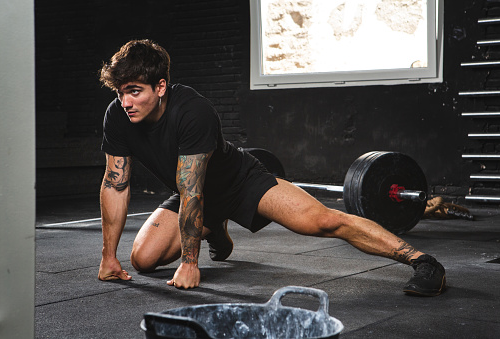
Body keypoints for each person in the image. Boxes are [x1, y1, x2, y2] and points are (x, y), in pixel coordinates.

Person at [97, 39, 446, 296]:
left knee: (325, 221)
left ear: (160, 87)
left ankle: (423, 262)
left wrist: (191, 263)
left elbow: (193, 189)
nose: (125, 102)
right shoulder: (118, 116)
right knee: (142, 260)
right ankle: (214, 226)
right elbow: (115, 184)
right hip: (193, 195)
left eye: (134, 91)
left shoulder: (192, 111)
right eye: (119, 92)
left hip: (240, 181)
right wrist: (109, 257)